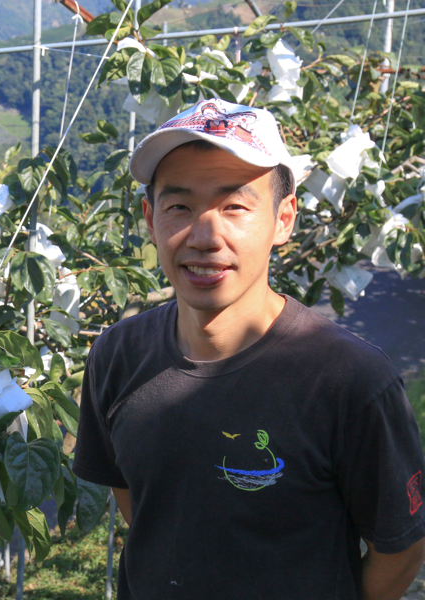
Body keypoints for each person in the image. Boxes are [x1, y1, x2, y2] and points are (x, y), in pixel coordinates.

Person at [72, 98, 425, 600]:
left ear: (284, 220)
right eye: (179, 207)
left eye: (235, 207)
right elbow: (141, 500)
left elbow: (401, 550)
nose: (206, 237)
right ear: (150, 218)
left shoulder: (350, 380)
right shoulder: (117, 355)